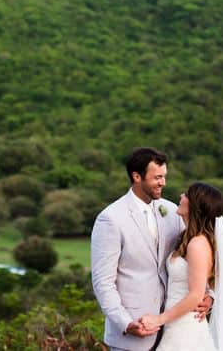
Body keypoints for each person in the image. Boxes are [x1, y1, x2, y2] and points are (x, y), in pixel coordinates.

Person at [91, 147, 213, 350]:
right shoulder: (111, 219)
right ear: (137, 176)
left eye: (164, 176)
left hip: (174, 330)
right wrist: (126, 323)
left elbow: (196, 258)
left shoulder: (173, 212)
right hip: (133, 333)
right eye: (157, 177)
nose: (163, 183)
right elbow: (103, 282)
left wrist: (208, 296)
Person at [140, 182, 223, 351]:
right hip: (177, 325)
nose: (180, 196)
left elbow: (194, 296)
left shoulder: (197, 244)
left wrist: (159, 319)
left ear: (195, 205)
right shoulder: (187, 238)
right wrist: (210, 295)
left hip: (185, 329)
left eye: (186, 195)